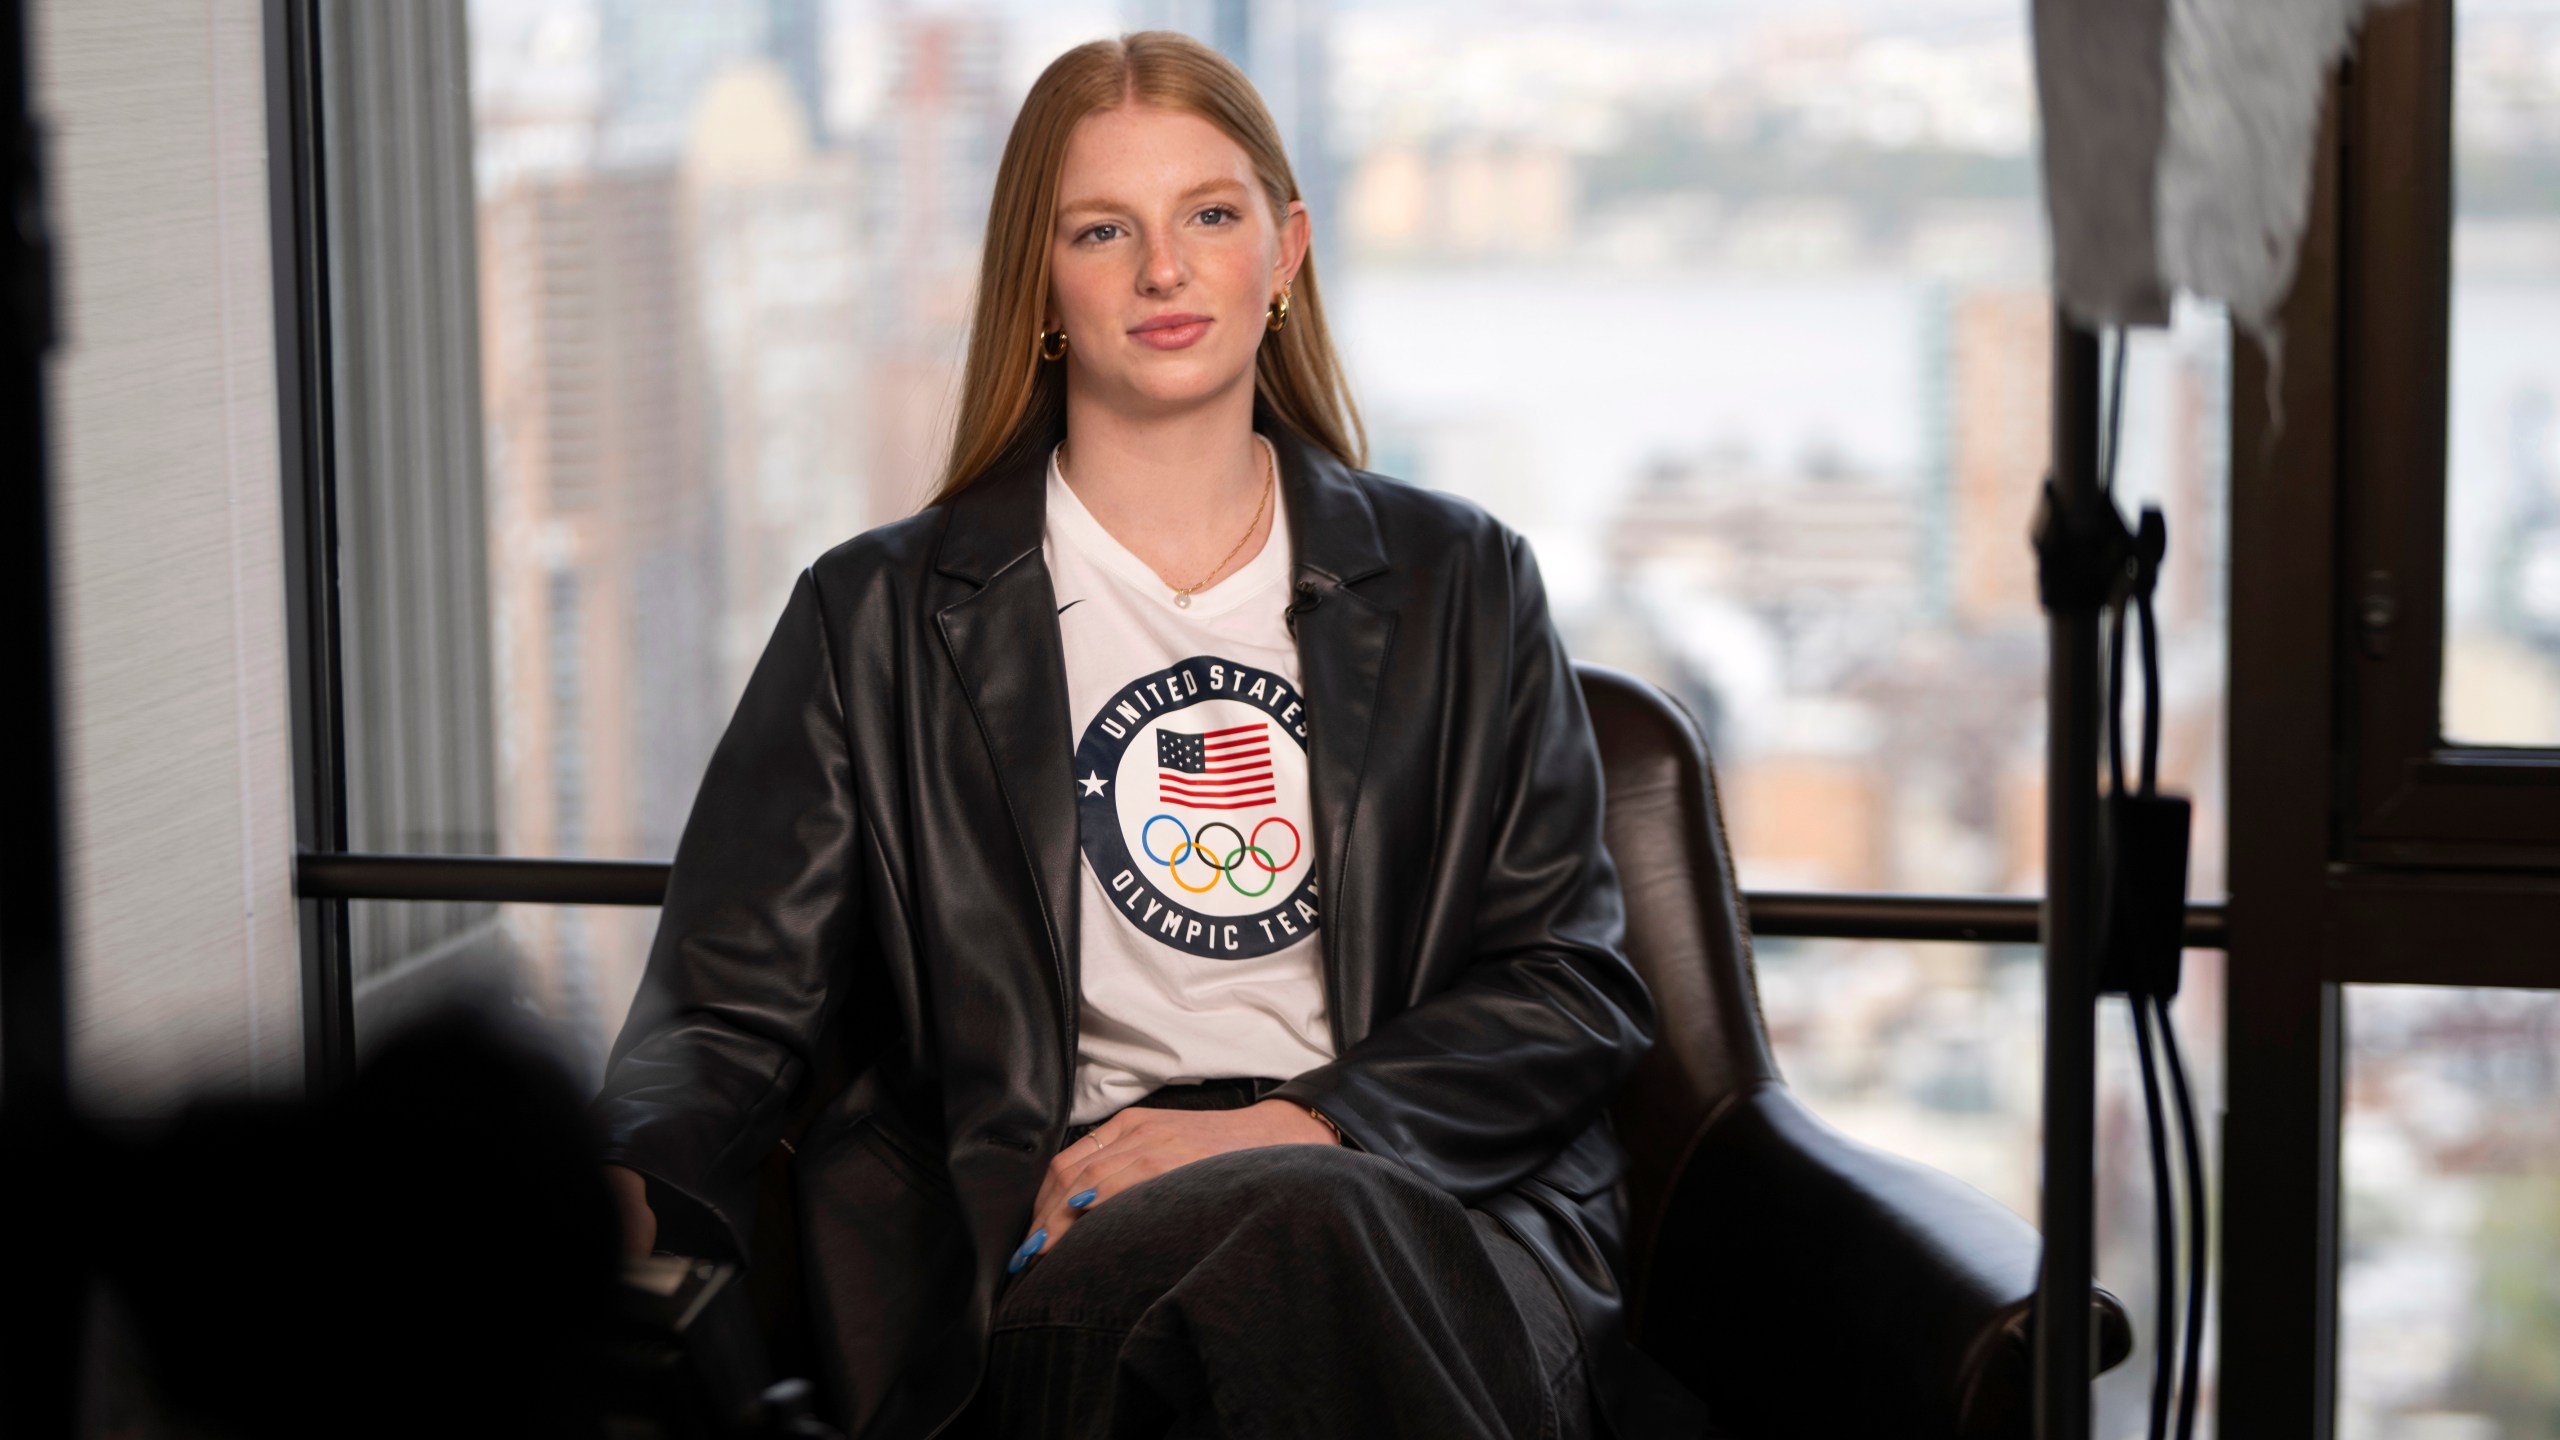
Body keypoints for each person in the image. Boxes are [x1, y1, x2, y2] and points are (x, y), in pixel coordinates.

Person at [594, 30, 1703, 1440]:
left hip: (1443, 1220)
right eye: (1103, 229)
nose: (1164, 270)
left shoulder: (1461, 581)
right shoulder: (877, 617)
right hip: (1070, 1236)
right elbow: (725, 1009)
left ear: (1285, 253)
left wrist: (1303, 1128)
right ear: (1040, 281)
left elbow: (1569, 983)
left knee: (1315, 1226)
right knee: (1296, 1249)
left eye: (1211, 216)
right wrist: (612, 1186)